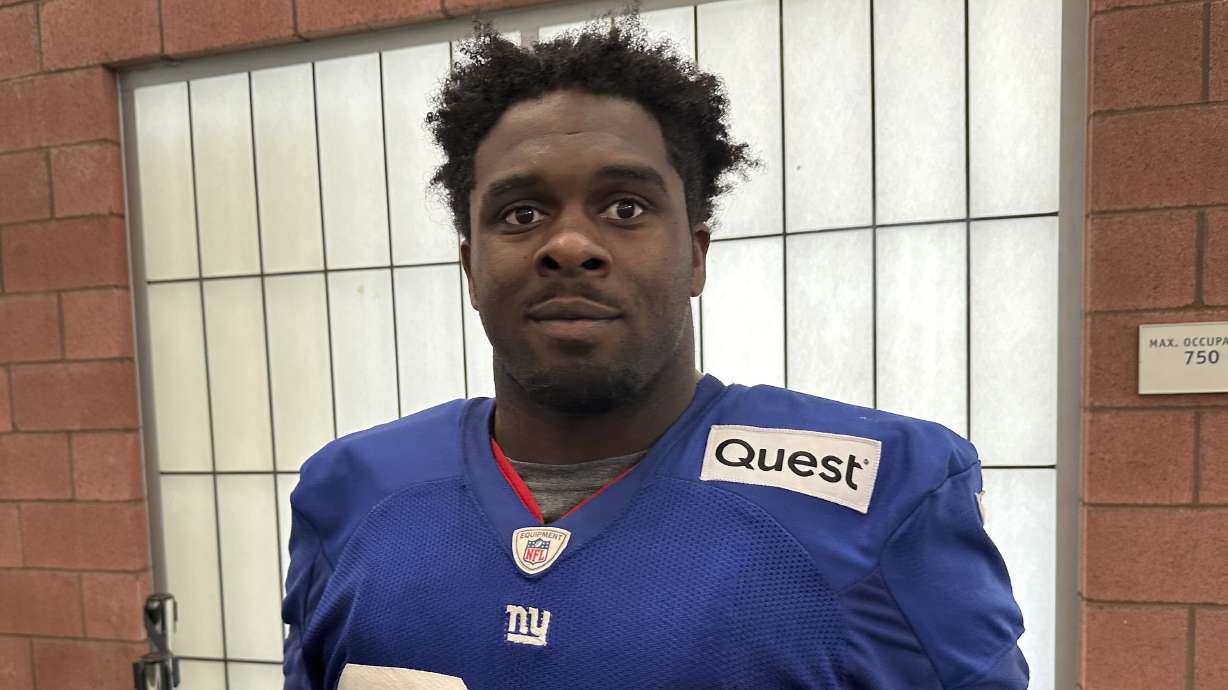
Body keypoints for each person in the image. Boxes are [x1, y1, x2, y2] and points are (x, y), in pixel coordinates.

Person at [283, 15, 1028, 689]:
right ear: (470, 264)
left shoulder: (888, 490)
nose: (569, 245)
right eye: (521, 213)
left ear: (696, 255)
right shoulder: (350, 491)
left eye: (625, 207)